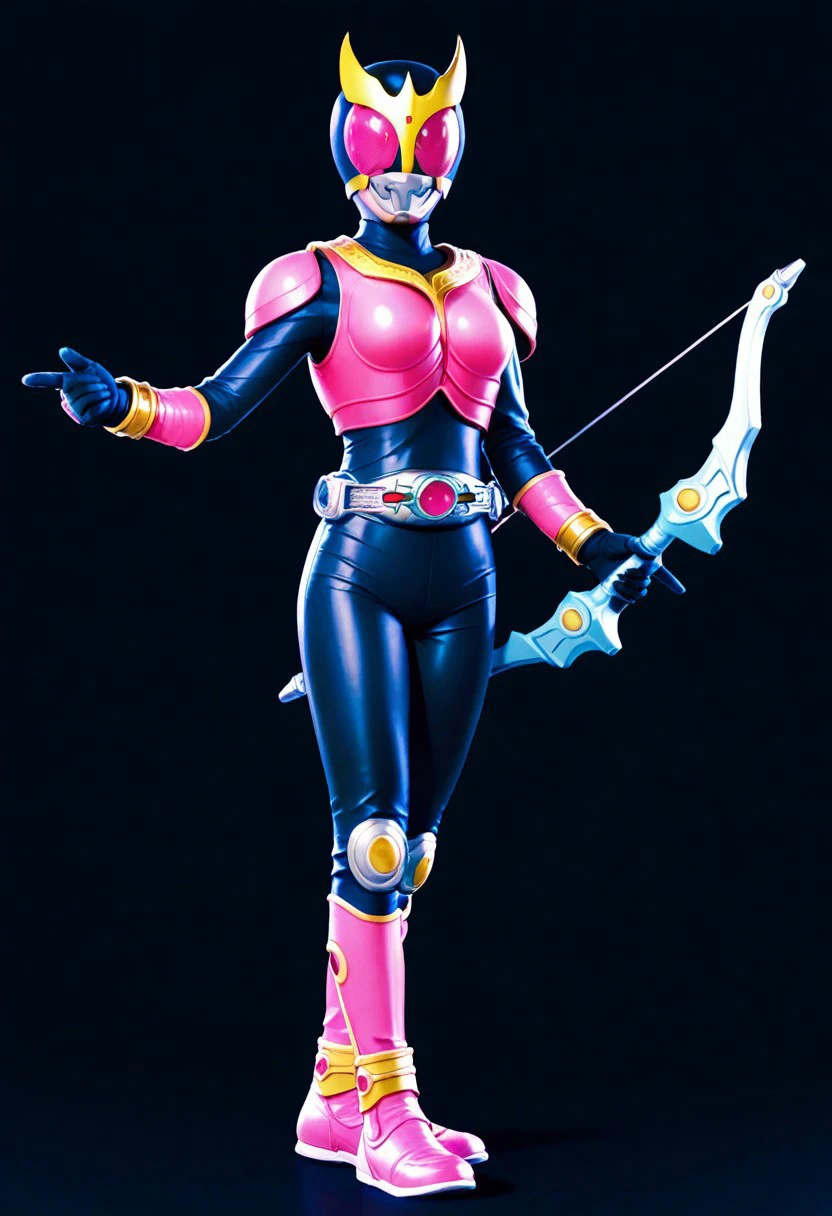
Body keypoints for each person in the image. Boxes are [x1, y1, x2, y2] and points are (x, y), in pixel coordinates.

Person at [22, 34, 679, 1199]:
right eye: (385, 158)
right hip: (359, 569)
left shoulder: (495, 289)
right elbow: (214, 410)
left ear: (450, 160)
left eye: (423, 160)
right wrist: (120, 405)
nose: (404, 180)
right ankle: (389, 1109)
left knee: (409, 850)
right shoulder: (315, 279)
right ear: (348, 158)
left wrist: (594, 541)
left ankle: (333, 1094)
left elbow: (519, 449)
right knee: (370, 839)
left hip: (466, 573)